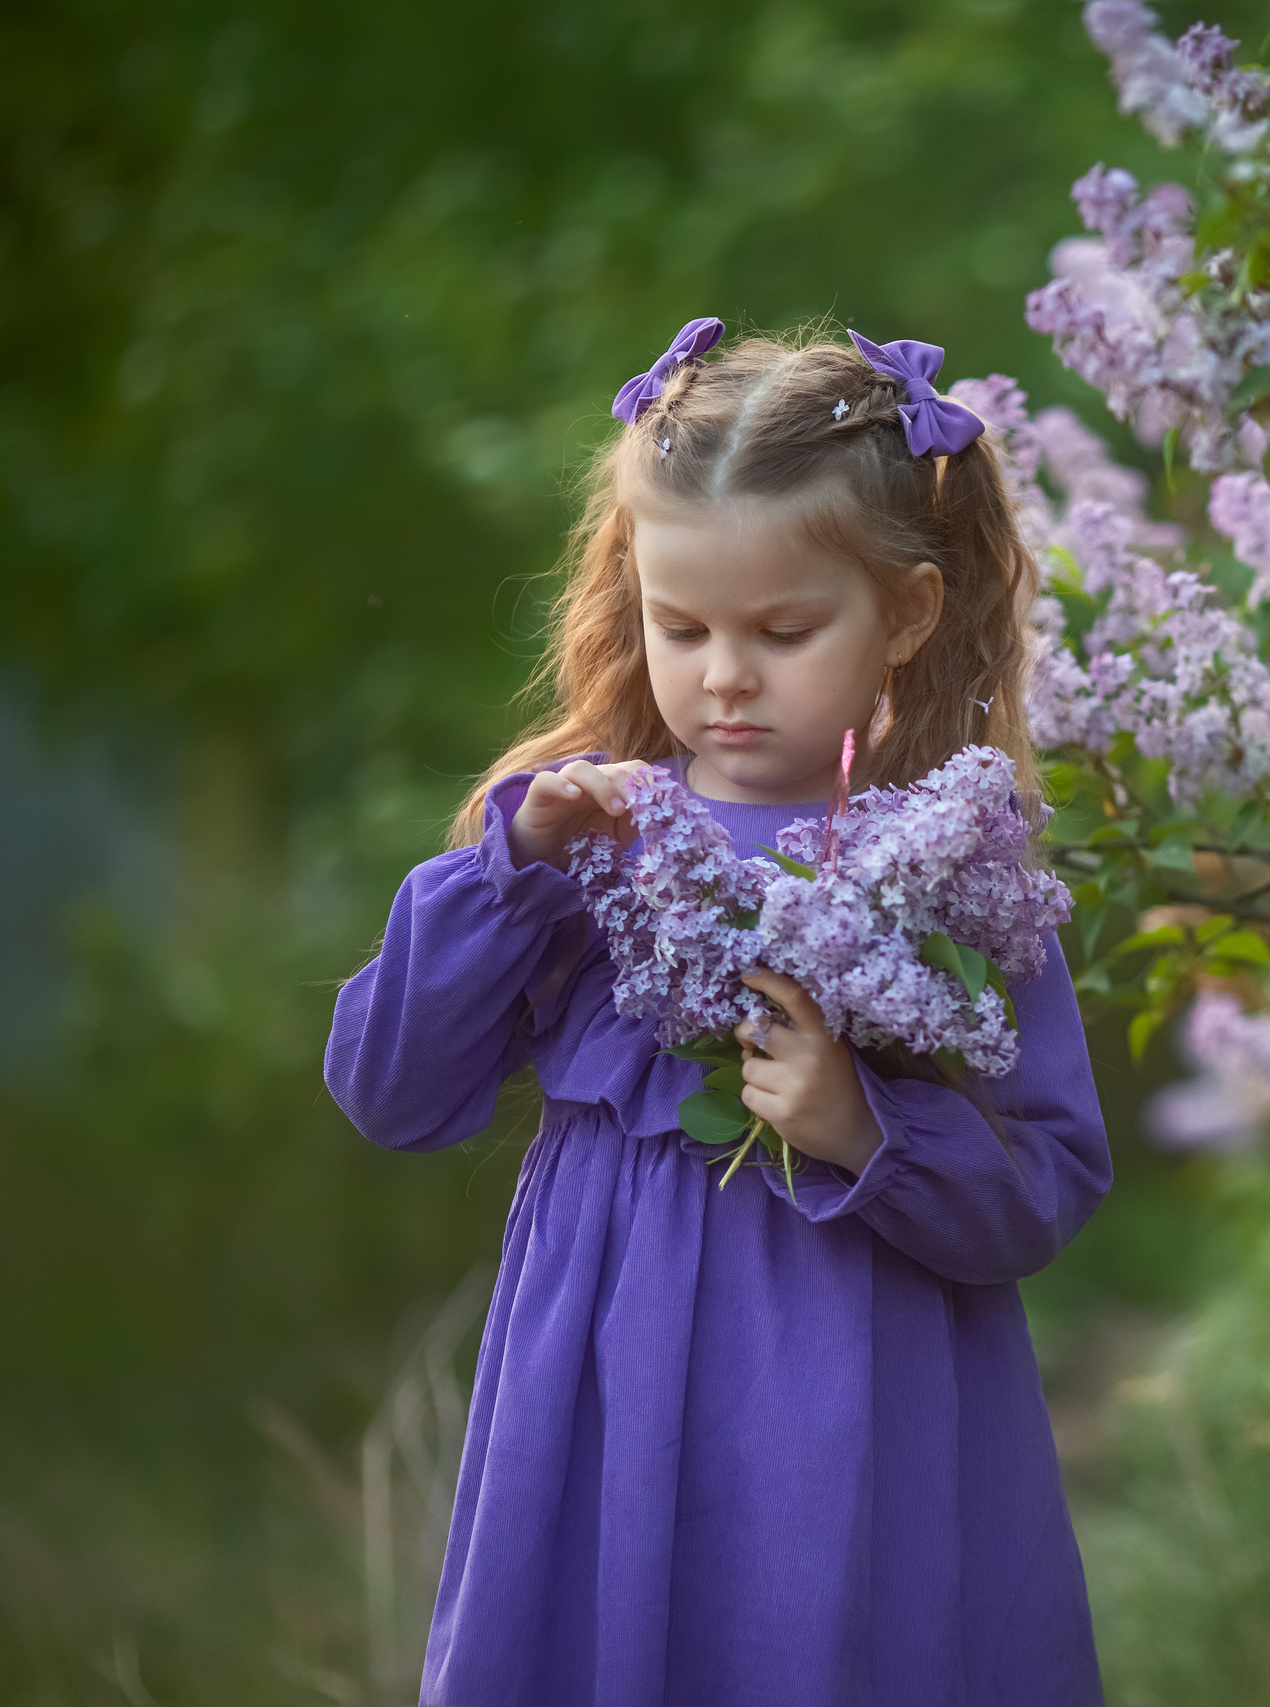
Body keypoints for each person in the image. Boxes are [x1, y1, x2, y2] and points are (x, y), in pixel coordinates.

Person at [325, 320, 1111, 1707]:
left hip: (862, 1401)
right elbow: (394, 1095)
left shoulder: (958, 868)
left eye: (782, 632)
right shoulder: (591, 836)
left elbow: (1043, 1190)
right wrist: (510, 873)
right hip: (610, 1398)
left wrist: (868, 1132)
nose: (723, 675)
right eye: (679, 627)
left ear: (907, 615)